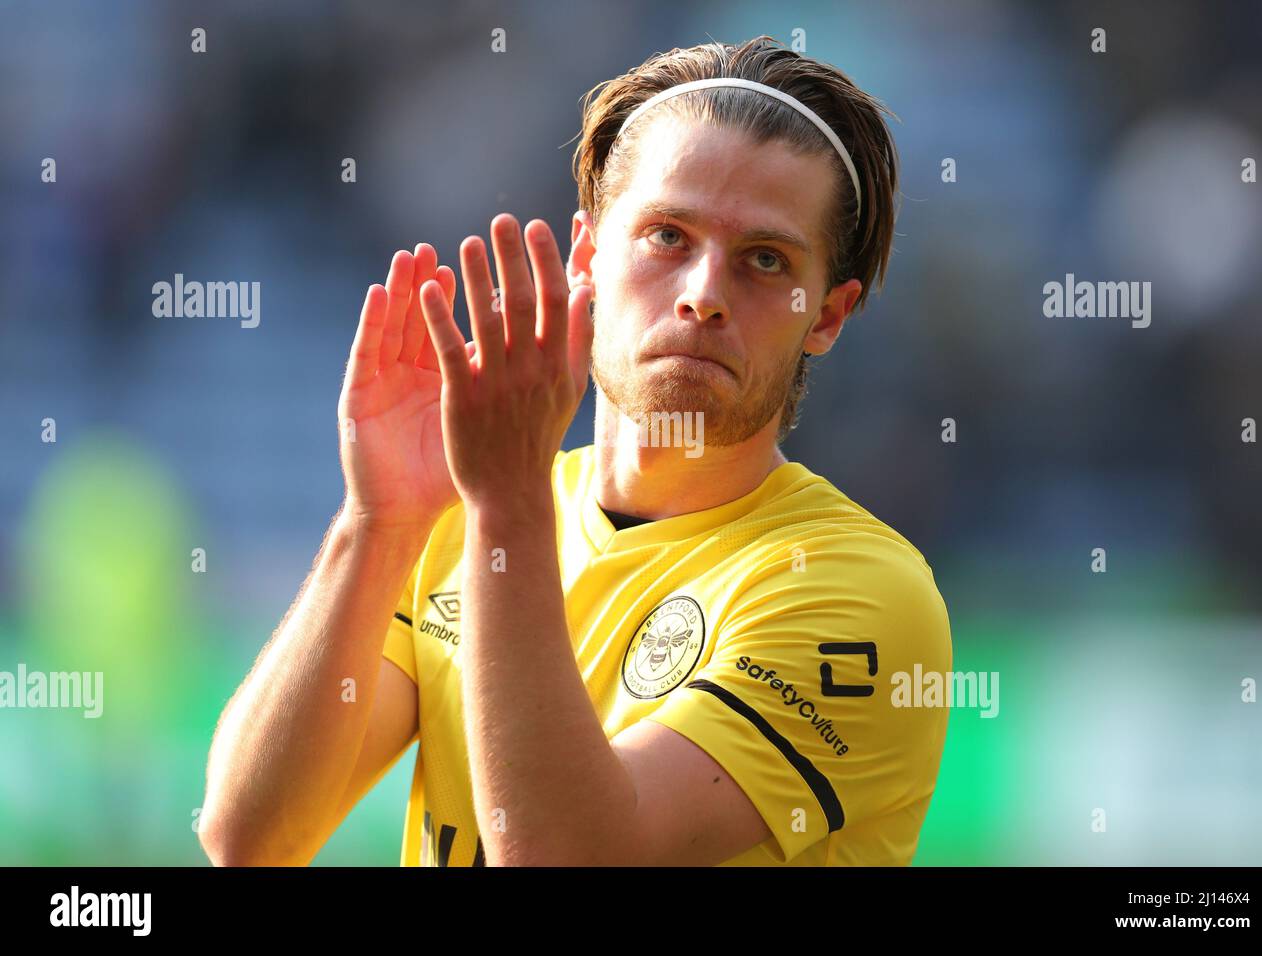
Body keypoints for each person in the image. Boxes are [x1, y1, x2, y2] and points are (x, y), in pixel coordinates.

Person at [198, 35, 951, 867]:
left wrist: (504, 508)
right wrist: (377, 522)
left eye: (764, 260)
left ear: (828, 316)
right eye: (667, 236)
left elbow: (567, 855)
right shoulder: (467, 516)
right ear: (589, 255)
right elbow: (249, 839)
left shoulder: (862, 594)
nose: (703, 295)